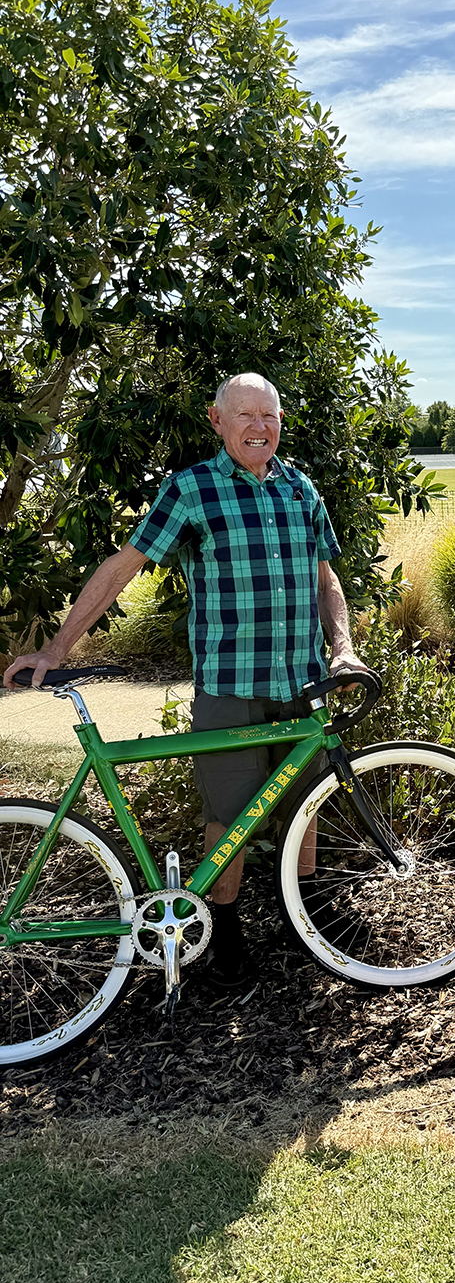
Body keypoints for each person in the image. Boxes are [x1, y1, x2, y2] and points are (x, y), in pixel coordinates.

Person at [3, 372, 368, 981]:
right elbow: (126, 566)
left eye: (269, 416)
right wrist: (57, 648)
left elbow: (326, 580)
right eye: (245, 415)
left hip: (304, 680)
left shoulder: (300, 489)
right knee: (227, 816)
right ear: (216, 421)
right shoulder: (192, 490)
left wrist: (345, 648)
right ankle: (222, 935)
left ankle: (310, 919)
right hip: (229, 684)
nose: (259, 427)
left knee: (306, 803)